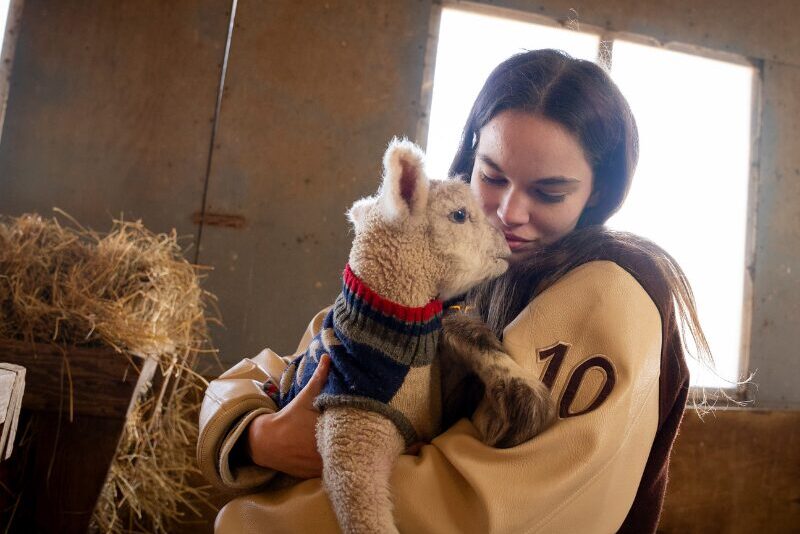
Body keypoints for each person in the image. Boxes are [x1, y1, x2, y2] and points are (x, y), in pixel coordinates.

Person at [197, 49, 709, 533]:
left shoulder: (608, 291)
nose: (509, 213)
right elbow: (277, 368)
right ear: (469, 160)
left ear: (598, 190)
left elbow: (479, 502)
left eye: (549, 192)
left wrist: (251, 520)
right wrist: (259, 438)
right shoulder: (439, 269)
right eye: (492, 176)